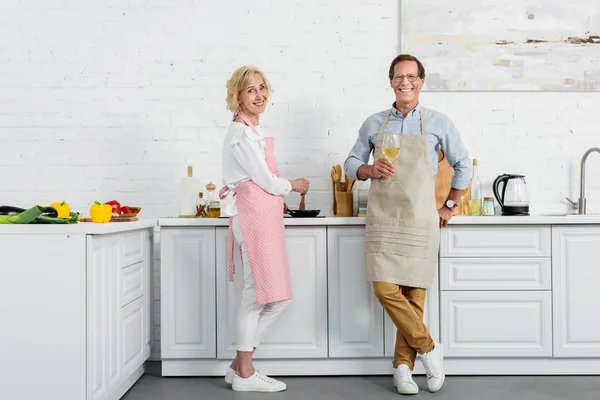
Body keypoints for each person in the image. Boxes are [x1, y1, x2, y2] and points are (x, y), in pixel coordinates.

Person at [344, 54, 472, 395]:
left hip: (420, 218)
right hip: (384, 217)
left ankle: (403, 367)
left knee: (414, 294)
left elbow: (463, 165)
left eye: (411, 77)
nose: (405, 82)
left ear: (421, 81)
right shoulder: (374, 123)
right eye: (399, 76)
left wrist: (448, 205)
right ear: (390, 81)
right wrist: (369, 170)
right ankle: (429, 348)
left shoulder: (438, 123)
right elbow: (351, 162)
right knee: (384, 288)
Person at [218, 65, 309, 393]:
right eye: (250, 90)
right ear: (238, 97)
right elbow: (267, 181)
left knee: (273, 297)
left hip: (262, 218)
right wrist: (294, 184)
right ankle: (245, 371)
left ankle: (238, 365)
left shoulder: (251, 131)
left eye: (261, 88)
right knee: (257, 297)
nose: (259, 95)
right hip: (252, 216)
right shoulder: (241, 133)